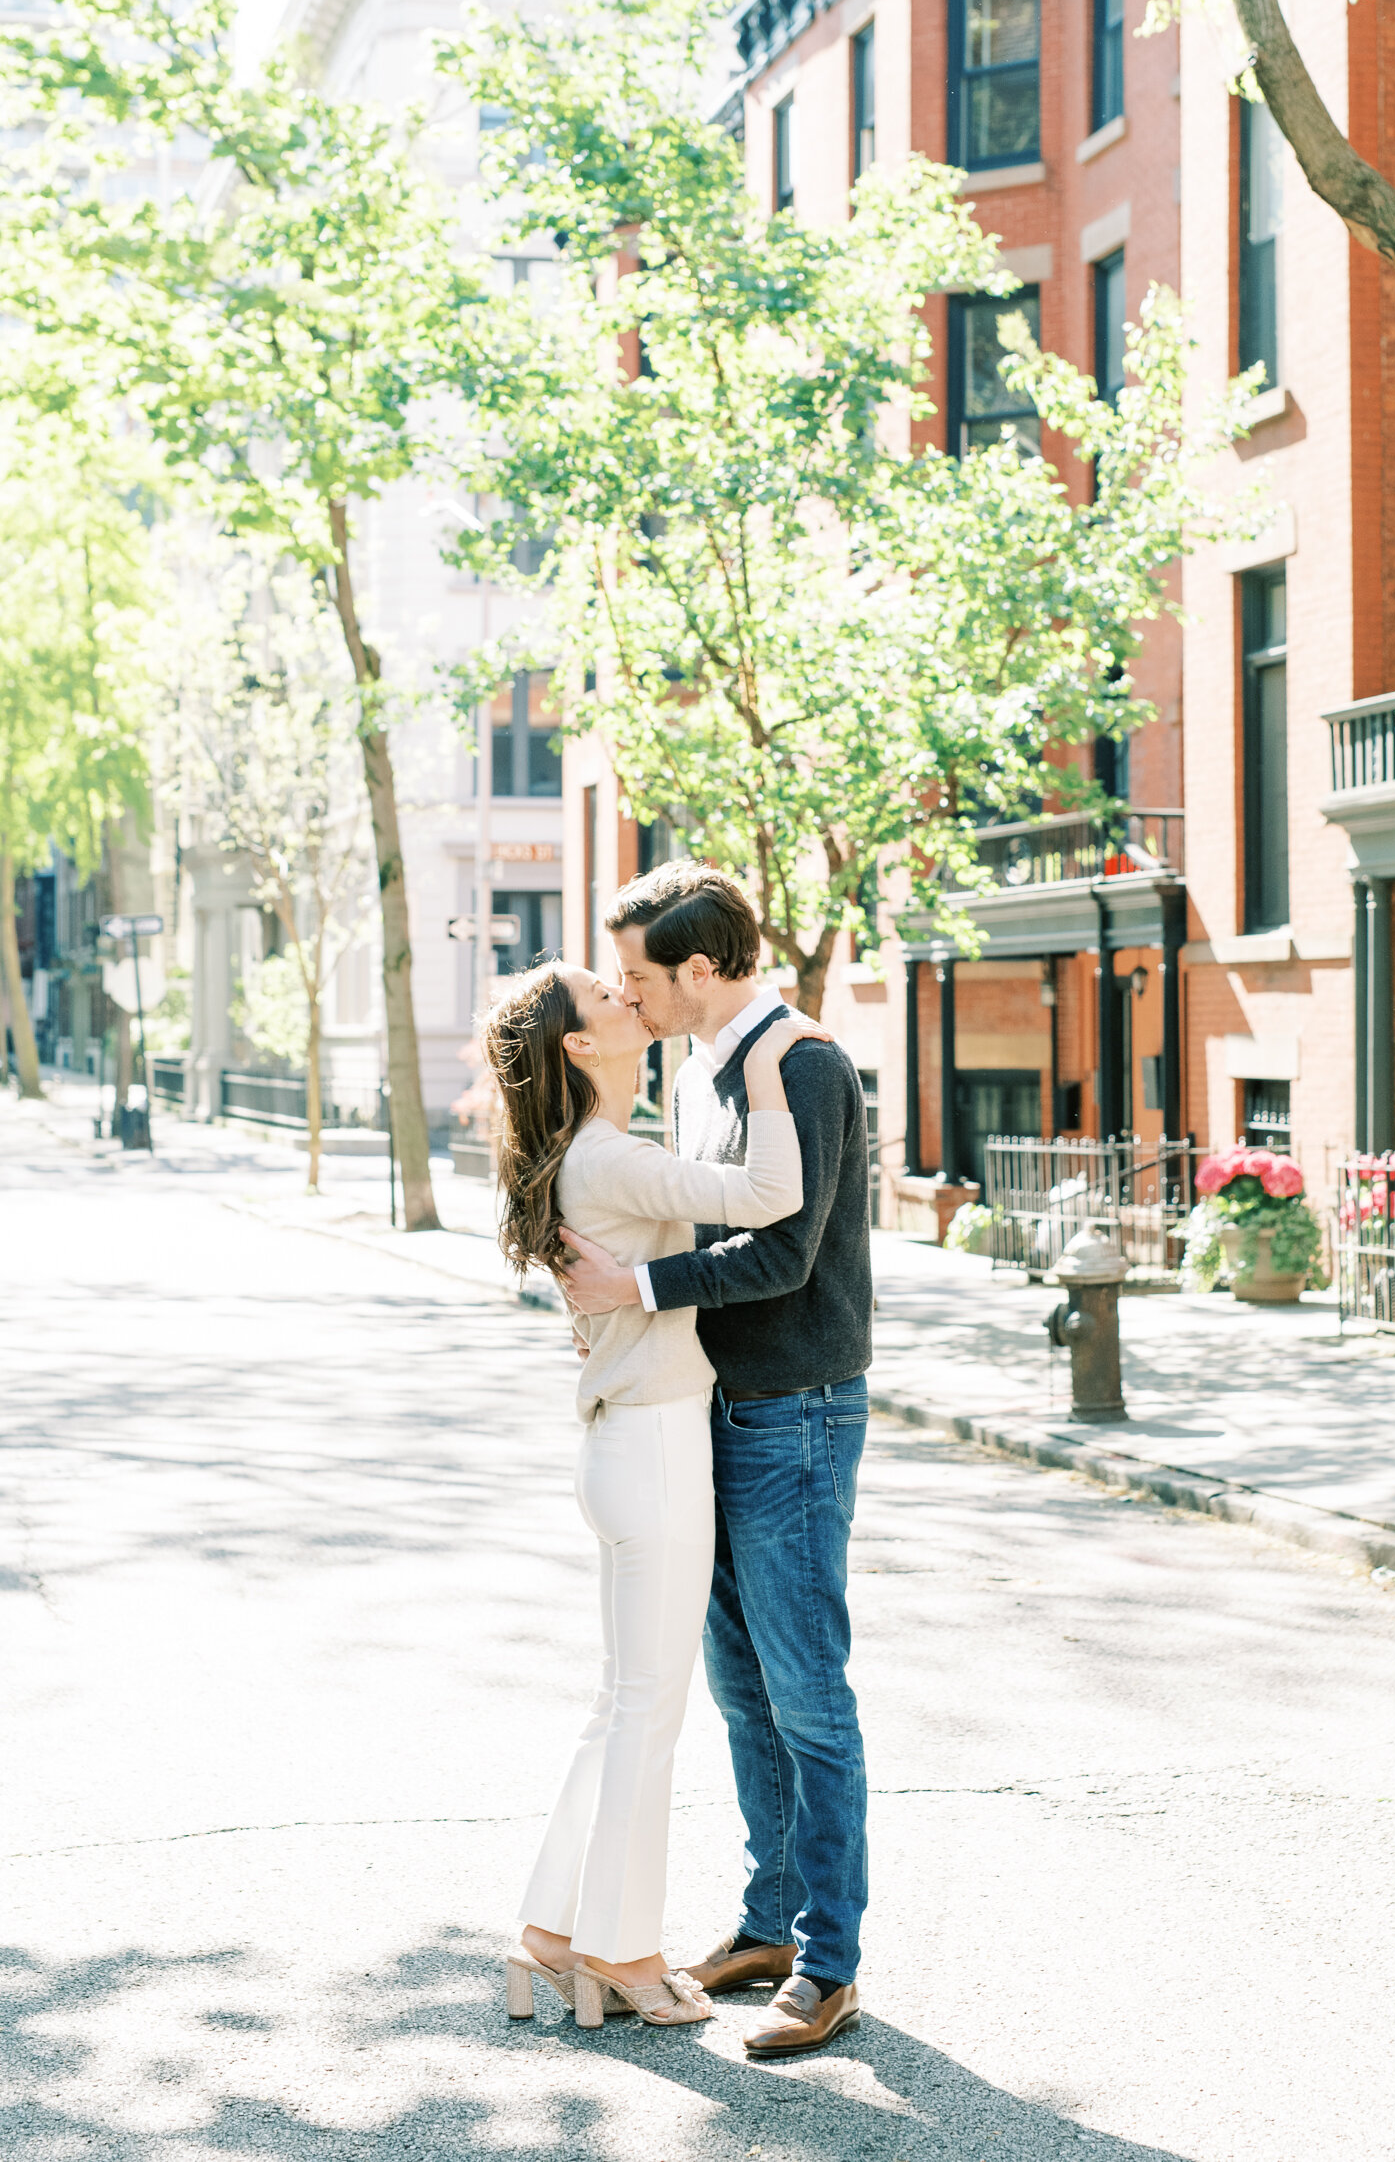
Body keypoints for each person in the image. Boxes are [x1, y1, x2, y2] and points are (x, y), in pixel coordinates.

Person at [556, 861, 873, 2060]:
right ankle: (769, 1923)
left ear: (700, 969)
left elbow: (783, 1247)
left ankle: (829, 1960)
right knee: (743, 1687)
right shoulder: (700, 1067)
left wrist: (633, 1282)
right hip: (716, 1408)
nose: (628, 996)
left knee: (806, 1690)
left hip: (796, 1409)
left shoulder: (804, 1063)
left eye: (640, 975)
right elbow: (697, 1206)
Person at [486, 957, 826, 2031]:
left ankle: (551, 1933)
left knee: (620, 1705)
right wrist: (770, 1061)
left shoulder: (591, 1155)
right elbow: (774, 1195)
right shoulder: (612, 1157)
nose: (629, 997)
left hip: (626, 1447)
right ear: (579, 1047)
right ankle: (625, 1952)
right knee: (646, 1714)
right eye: (606, 995)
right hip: (658, 1448)